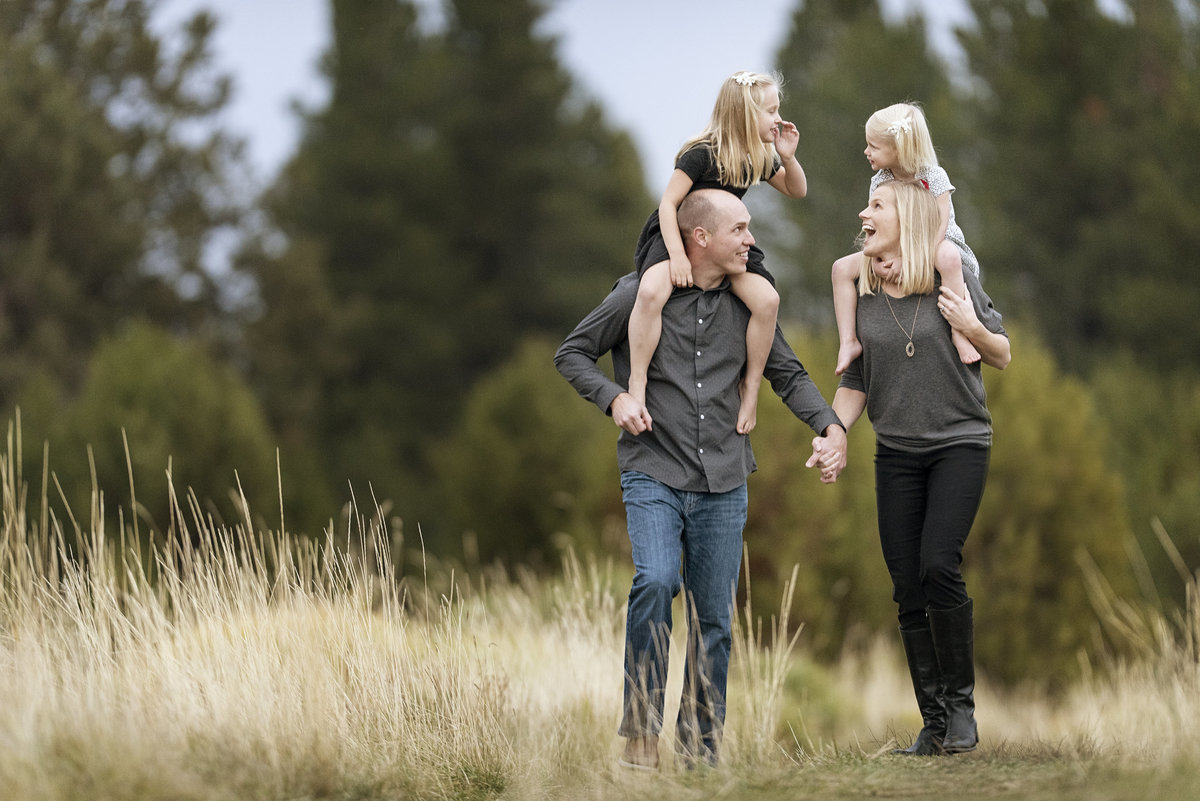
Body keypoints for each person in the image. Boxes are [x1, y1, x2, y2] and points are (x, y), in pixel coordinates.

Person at [555, 189, 846, 770]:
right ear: (700, 239)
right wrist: (614, 400)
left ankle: (700, 758)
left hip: (724, 481)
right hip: (653, 471)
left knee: (713, 621)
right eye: (740, 229)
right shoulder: (639, 293)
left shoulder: (749, 304)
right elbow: (573, 353)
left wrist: (830, 425)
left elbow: (786, 373)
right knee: (657, 581)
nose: (752, 241)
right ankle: (640, 736)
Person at [815, 179, 1010, 756]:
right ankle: (934, 724)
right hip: (895, 452)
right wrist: (834, 433)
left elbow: (1001, 353)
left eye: (876, 206)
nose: (863, 213)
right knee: (906, 586)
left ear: (909, 220)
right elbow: (856, 379)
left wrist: (971, 327)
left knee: (937, 565)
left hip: (959, 444)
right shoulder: (863, 286)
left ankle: (961, 709)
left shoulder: (951, 273)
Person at [627, 70, 809, 436]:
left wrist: (787, 156)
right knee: (649, 292)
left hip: (726, 244)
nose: (778, 119)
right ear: (744, 113)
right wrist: (677, 256)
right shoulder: (702, 154)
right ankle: (638, 382)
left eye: (778, 110)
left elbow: (797, 190)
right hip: (678, 235)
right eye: (770, 112)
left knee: (767, 301)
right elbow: (668, 204)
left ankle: (751, 385)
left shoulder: (757, 156)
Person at [831, 102, 983, 375]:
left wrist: (911, 258)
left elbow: (939, 224)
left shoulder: (933, 176)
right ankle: (848, 341)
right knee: (840, 268)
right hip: (894, 249)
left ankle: (959, 333)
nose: (866, 152)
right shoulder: (879, 181)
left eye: (873, 146)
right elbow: (874, 227)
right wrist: (877, 258)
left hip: (935, 245)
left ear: (898, 147)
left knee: (948, 257)